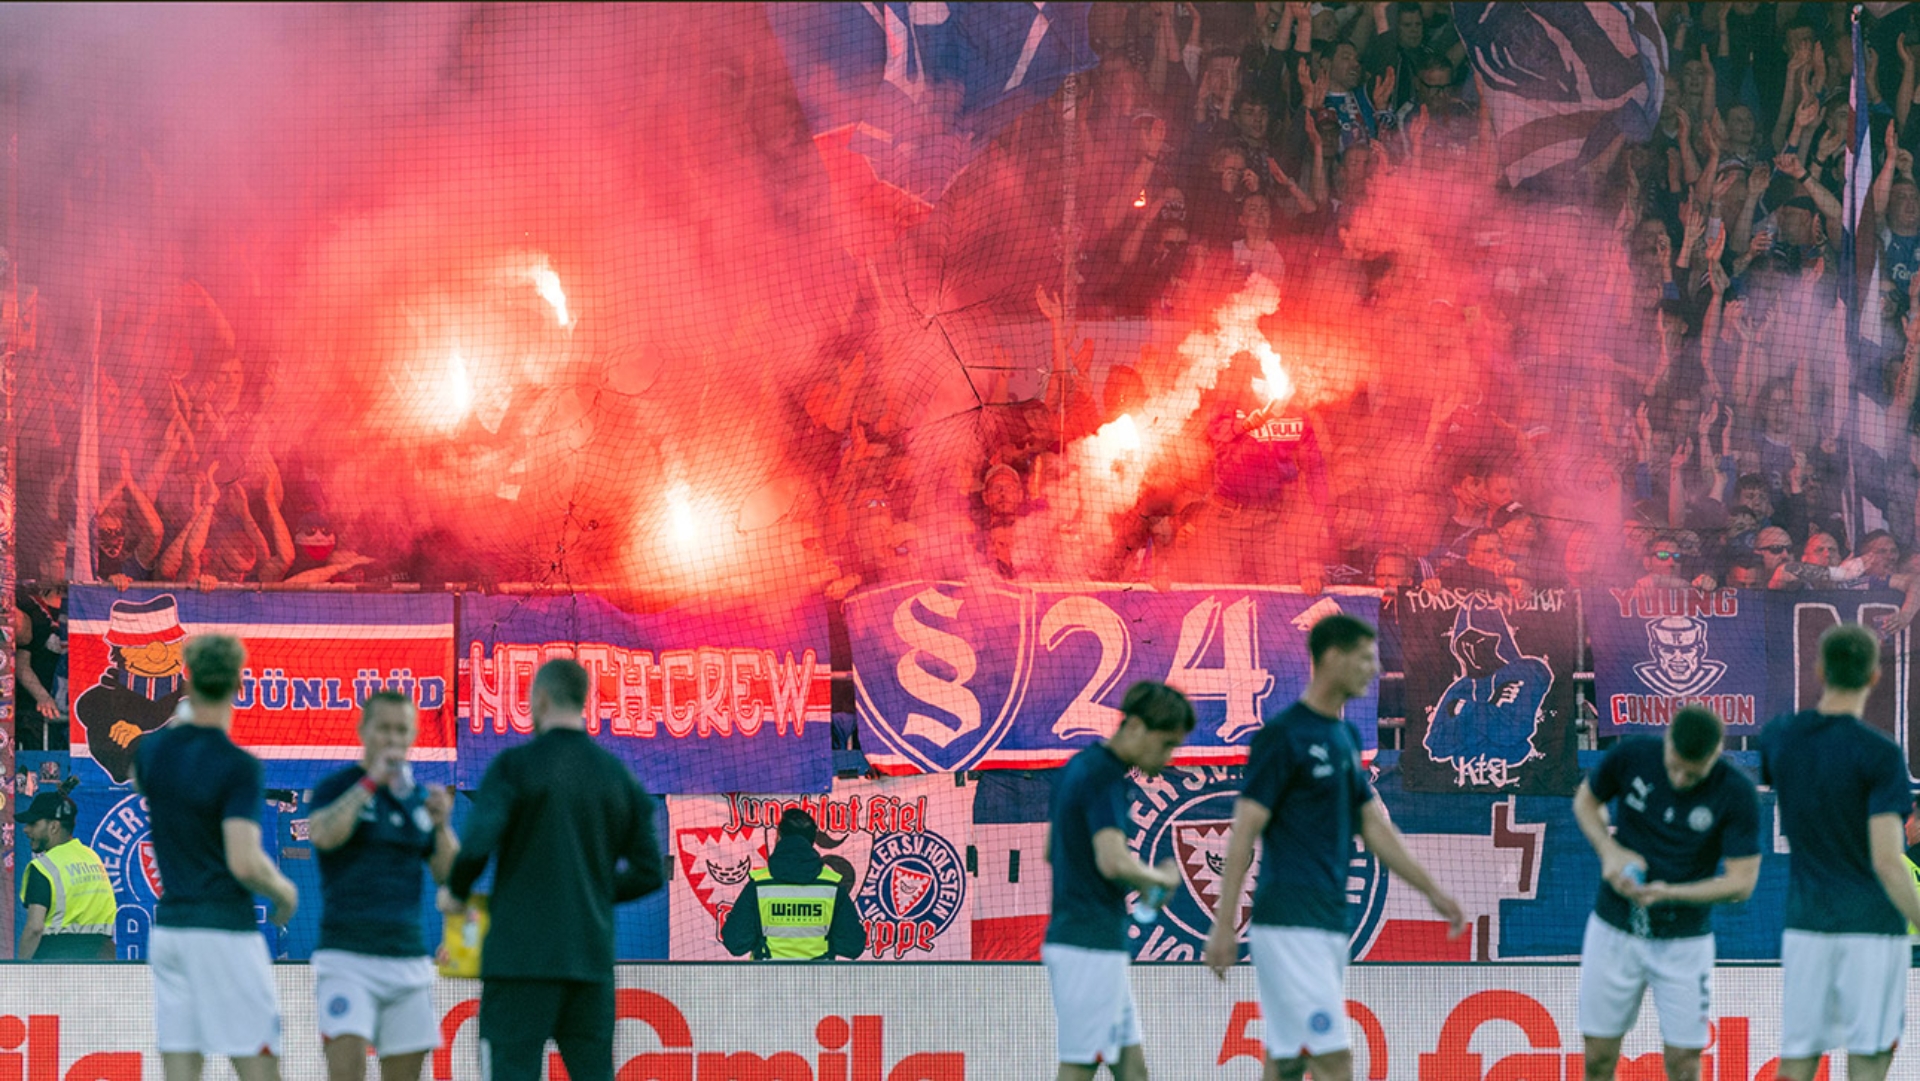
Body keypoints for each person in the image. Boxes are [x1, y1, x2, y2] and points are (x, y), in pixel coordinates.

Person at [1204, 614, 1464, 1081]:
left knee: (1286, 1060)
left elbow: (1375, 829)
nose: (1375, 669)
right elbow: (1243, 832)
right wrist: (1224, 926)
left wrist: (1433, 891)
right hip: (1289, 921)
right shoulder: (1283, 736)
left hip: (1325, 917)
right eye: (1366, 658)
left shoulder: (1344, 736)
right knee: (1333, 1061)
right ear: (1332, 658)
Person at [444, 658, 665, 1081]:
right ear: (581, 700)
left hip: (519, 962)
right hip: (589, 962)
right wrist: (592, 890)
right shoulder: (617, 776)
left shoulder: (513, 766)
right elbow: (649, 871)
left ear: (540, 699)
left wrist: (456, 890)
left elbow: (476, 844)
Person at [133, 634, 298, 1081]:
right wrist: (283, 891)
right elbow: (244, 862)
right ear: (238, 684)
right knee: (258, 1064)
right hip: (224, 929)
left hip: (171, 932)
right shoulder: (238, 765)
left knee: (182, 1067)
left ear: (186, 677)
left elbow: (141, 780)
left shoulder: (151, 753)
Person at [1759, 624, 1920, 1081]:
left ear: (1819, 669)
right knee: (1869, 1059)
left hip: (1808, 923)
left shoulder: (1779, 737)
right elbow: (1888, 863)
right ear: (1874, 676)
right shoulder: (1881, 753)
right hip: (1871, 928)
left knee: (1798, 1062)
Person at [1572, 706, 1761, 1081]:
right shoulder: (1632, 756)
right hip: (1613, 929)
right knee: (1597, 1058)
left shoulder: (1736, 793)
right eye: (1674, 765)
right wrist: (1610, 853)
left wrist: (1670, 893)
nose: (1679, 778)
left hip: (1685, 942)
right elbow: (1586, 802)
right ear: (1667, 740)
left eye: (1693, 773)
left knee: (1684, 1064)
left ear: (1716, 754)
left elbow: (1742, 883)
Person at [1044, 681, 1194, 1081]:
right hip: (1088, 944)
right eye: (1165, 744)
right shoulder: (1105, 776)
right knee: (1079, 1067)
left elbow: (1051, 851)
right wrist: (1157, 876)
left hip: (1085, 940)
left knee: (1131, 1070)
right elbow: (1111, 861)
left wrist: (1137, 882)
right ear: (1137, 727)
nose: (1167, 758)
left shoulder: (1078, 767)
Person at [307, 691, 459, 1081]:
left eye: (401, 730)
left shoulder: (419, 799)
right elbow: (323, 835)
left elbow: (451, 876)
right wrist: (371, 781)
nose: (393, 739)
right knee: (346, 1074)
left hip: (406, 958)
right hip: (346, 957)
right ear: (363, 730)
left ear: (413, 735)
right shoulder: (336, 786)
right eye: (384, 729)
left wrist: (442, 826)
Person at [721, 808, 865, 961]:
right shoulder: (831, 887)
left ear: (779, 837)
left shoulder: (759, 884)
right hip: (818, 980)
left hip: (767, 980)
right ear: (812, 841)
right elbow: (853, 947)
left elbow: (735, 943)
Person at [17, 784, 117, 960]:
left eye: (33, 823)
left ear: (53, 826)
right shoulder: (92, 857)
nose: (26, 829)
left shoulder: (43, 867)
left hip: (57, 962)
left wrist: (19, 971)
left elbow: (34, 928)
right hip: (102, 959)